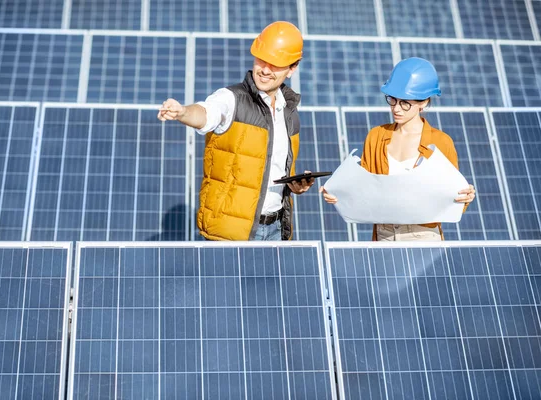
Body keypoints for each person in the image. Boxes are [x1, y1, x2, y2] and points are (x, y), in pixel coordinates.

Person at [157, 21, 314, 241]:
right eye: (262, 59)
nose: (265, 70)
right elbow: (206, 113)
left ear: (292, 68)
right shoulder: (231, 99)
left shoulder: (289, 113)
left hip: (277, 230)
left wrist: (295, 186)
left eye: (276, 64)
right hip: (233, 235)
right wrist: (182, 112)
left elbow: (275, 171)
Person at [320, 57, 476, 241]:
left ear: (424, 102)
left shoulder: (441, 142)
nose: (396, 109)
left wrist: (464, 196)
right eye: (393, 100)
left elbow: (451, 195)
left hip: (423, 234)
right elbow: (364, 187)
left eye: (405, 103)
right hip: (384, 233)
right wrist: (340, 194)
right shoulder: (375, 136)